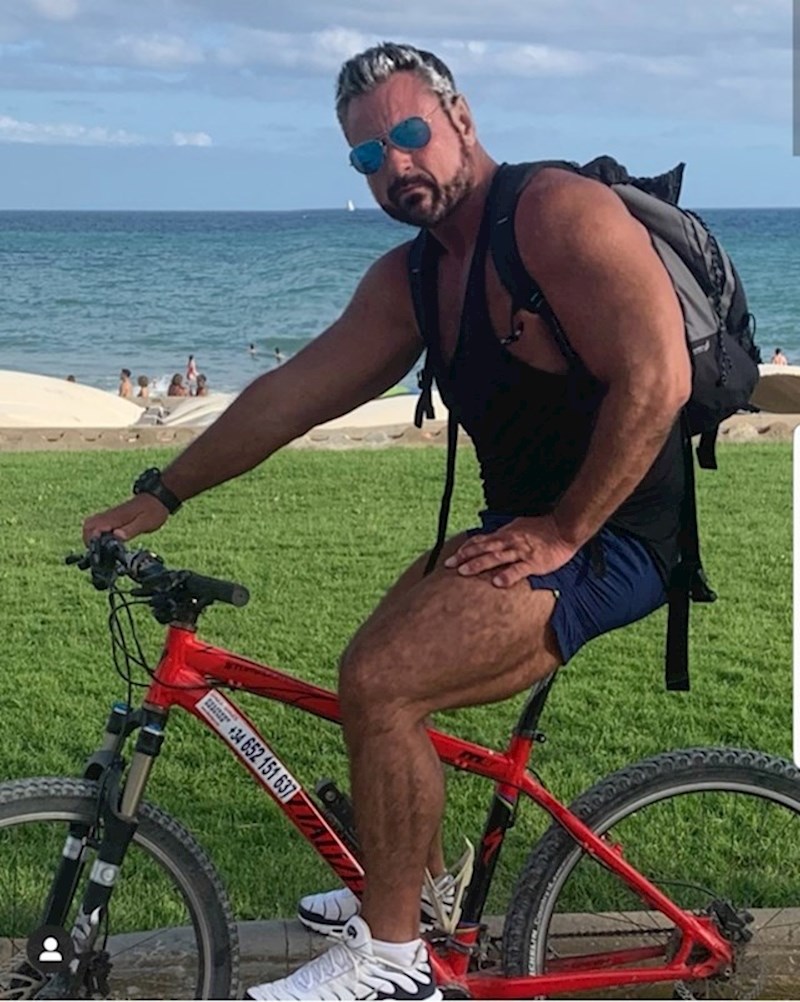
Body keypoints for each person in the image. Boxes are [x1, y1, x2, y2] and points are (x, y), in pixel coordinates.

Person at [82, 42, 689, 1002]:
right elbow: (291, 393)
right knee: (369, 671)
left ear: (462, 121)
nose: (395, 164)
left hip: (614, 533)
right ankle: (425, 894)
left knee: (384, 683)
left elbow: (660, 378)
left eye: (410, 134)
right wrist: (165, 492)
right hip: (529, 526)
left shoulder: (556, 213)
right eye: (369, 155)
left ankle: (394, 961)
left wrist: (567, 529)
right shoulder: (414, 278)